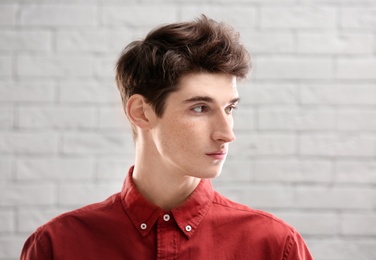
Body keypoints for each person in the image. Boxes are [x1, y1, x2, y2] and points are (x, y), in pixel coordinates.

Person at [21, 15, 313, 259]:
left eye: (229, 108)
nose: (227, 134)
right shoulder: (57, 246)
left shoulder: (274, 246)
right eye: (200, 108)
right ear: (142, 112)